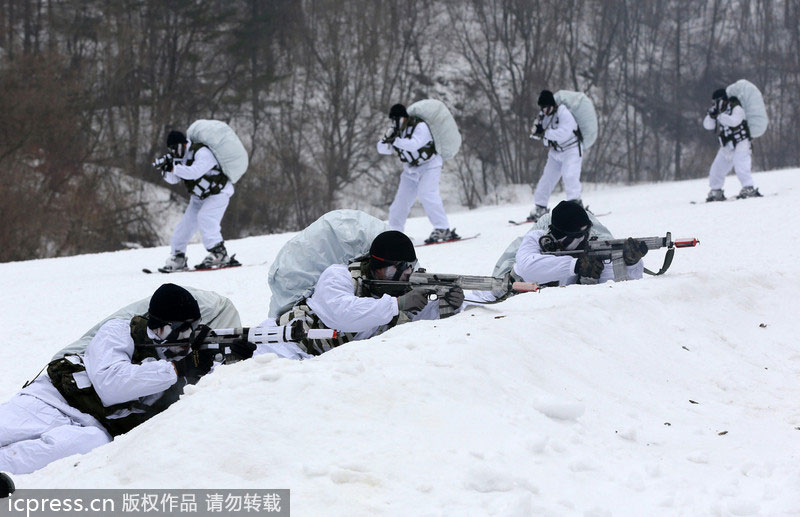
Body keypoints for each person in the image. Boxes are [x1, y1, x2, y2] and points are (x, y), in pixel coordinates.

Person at [0, 284, 255, 475]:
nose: (188, 336)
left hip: (92, 428)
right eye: (183, 328)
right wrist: (178, 369)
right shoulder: (119, 331)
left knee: (91, 444)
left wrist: (230, 356)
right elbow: (111, 384)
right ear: (161, 327)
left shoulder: (184, 357)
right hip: (50, 402)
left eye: (194, 326)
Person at [278, 230, 464, 355]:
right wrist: (397, 304)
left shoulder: (400, 291)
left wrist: (445, 305)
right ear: (378, 267)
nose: (406, 274)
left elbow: (416, 321)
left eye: (410, 267)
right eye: (399, 267)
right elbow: (344, 315)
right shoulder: (338, 276)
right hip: (283, 348)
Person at [158, 130, 239, 271]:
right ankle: (178, 257)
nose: (173, 152)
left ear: (182, 144)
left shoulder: (201, 152)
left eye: (174, 148)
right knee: (185, 226)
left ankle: (219, 253)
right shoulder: (179, 157)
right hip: (198, 197)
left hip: (218, 193)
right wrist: (166, 170)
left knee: (206, 218)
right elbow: (174, 179)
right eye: (171, 149)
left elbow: (195, 172)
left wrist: (174, 168)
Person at [378, 104, 459, 244]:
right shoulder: (396, 131)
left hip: (430, 165)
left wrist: (395, 140)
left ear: (404, 117)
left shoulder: (419, 126)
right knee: (400, 202)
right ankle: (395, 233)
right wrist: (386, 139)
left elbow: (415, 144)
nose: (395, 122)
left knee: (427, 193)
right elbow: (382, 149)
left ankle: (443, 228)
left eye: (397, 119)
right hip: (410, 170)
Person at [528, 90, 584, 222]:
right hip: (556, 152)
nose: (544, 111)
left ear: (552, 105)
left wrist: (545, 133)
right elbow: (537, 134)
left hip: (571, 150)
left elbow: (563, 133)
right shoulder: (543, 115)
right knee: (547, 179)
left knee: (570, 176)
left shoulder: (564, 113)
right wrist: (537, 132)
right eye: (542, 108)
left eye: (546, 107)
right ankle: (540, 207)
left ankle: (576, 206)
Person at [703, 88, 762, 201]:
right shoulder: (718, 111)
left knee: (740, 165)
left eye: (716, 101)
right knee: (716, 168)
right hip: (727, 145)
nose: (714, 104)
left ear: (723, 100)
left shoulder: (736, 108)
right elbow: (708, 126)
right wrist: (711, 116)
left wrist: (719, 116)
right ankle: (716, 191)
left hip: (741, 142)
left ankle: (748, 188)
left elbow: (734, 121)